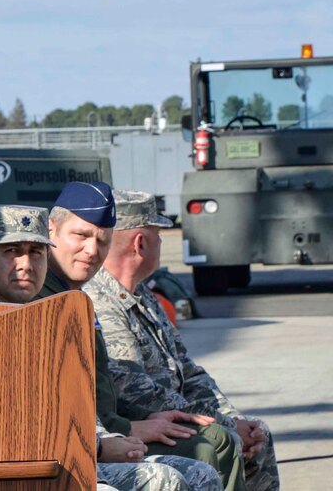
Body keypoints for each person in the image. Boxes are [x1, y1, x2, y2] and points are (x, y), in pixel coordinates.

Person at [0, 204, 221, 491]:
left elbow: (76, 399)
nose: (26, 264)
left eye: (36, 252)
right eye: (11, 252)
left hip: (76, 450)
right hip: (21, 466)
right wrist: (101, 447)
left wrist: (109, 439)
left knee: (199, 473)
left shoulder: (50, 312)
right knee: (163, 479)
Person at [40, 182, 244, 491]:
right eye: (80, 235)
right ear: (51, 230)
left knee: (214, 443)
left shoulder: (76, 296)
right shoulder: (43, 300)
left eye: (102, 240)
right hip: (75, 447)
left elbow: (183, 370)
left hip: (104, 434)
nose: (92, 250)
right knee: (202, 452)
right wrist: (125, 430)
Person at [85, 191, 279, 491]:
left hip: (172, 415)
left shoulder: (145, 296)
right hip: (135, 423)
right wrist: (226, 426)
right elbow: (136, 392)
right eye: (158, 235)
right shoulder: (99, 301)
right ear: (141, 243)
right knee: (218, 443)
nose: (161, 244)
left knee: (258, 435)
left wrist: (233, 417)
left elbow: (188, 371)